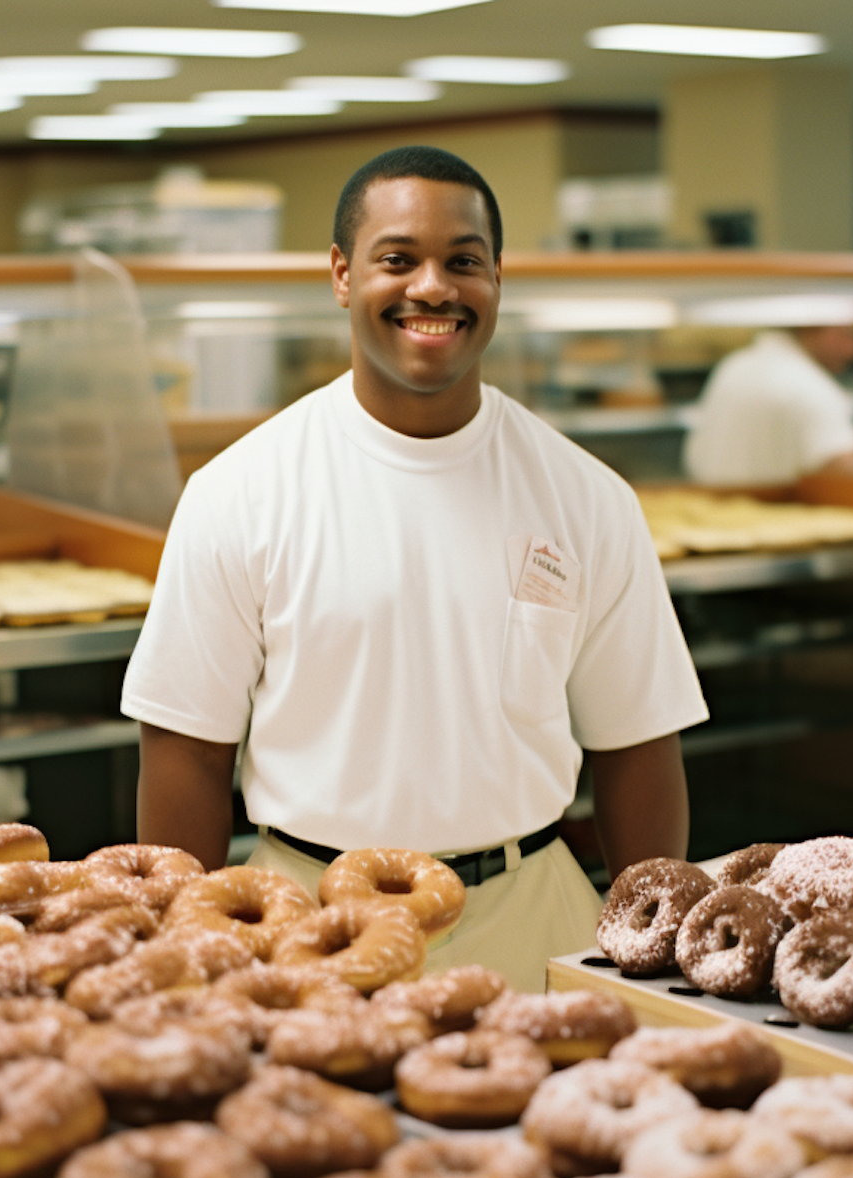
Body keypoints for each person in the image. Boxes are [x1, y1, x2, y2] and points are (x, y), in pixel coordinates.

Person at [121, 146, 708, 989]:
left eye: (463, 261)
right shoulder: (240, 492)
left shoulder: (587, 497)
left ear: (497, 278)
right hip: (305, 914)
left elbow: (638, 744)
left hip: (530, 913)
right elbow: (186, 751)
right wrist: (180, 951)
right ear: (341, 274)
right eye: (397, 260)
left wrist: (649, 944)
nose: (432, 287)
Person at [686, 313, 853, 487]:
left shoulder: (732, 365)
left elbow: (694, 455)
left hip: (711, 506)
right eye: (845, 333)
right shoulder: (813, 387)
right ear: (810, 327)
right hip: (779, 513)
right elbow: (841, 472)